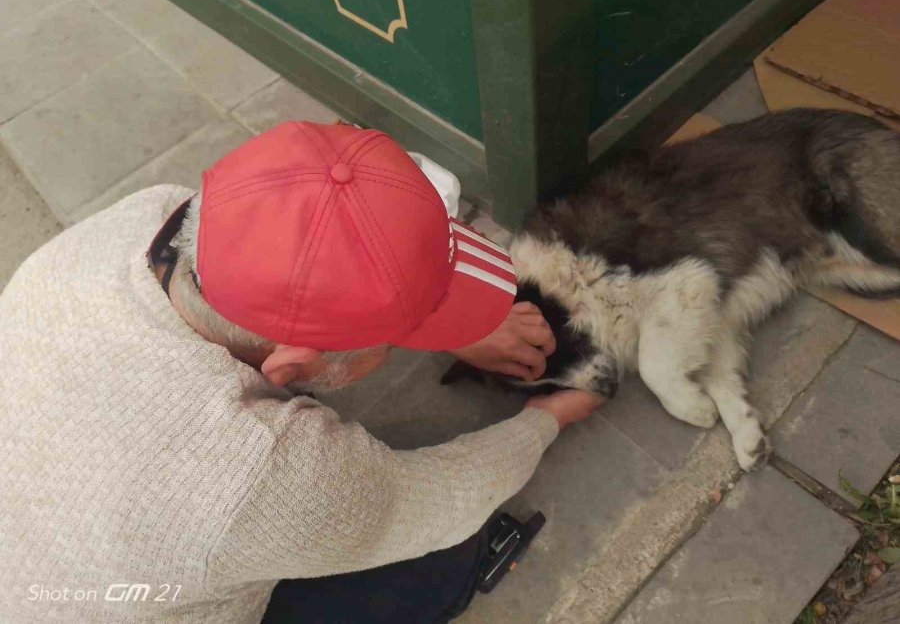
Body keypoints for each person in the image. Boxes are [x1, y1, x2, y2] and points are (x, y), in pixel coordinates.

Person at [0, 122, 604, 624]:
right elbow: (440, 499)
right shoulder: (257, 473)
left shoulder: (144, 220)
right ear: (292, 367)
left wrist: (449, 321)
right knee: (437, 563)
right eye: (395, 341)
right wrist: (545, 417)